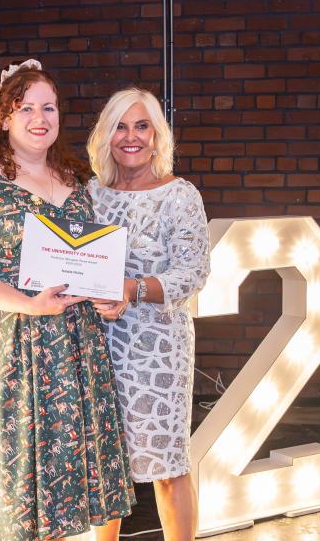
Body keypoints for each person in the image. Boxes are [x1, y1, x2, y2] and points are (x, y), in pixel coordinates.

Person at [0, 60, 135, 541]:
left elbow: (87, 260)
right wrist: (26, 303)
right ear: (3, 118)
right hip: (6, 353)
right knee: (6, 488)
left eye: (49, 107)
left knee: (61, 492)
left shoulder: (74, 179)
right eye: (26, 108)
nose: (40, 118)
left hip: (69, 352)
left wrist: (109, 298)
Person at [86, 88, 210, 541]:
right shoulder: (91, 194)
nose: (131, 136)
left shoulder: (179, 195)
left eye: (142, 126)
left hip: (157, 351)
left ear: (158, 137)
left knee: (167, 466)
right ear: (107, 135)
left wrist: (131, 290)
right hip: (99, 345)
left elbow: (193, 273)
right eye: (121, 126)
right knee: (105, 465)